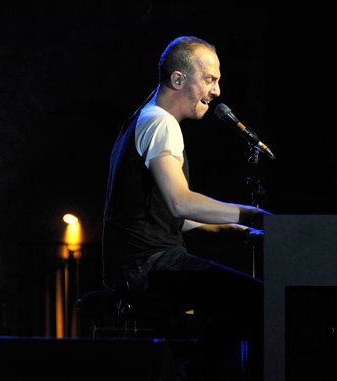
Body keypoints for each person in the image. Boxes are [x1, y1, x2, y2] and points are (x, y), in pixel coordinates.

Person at [102, 36, 268, 380]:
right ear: (178, 80)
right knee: (256, 299)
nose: (218, 91)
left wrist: (226, 230)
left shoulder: (141, 119)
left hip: (139, 263)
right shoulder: (161, 123)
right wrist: (252, 215)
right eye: (209, 79)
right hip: (149, 266)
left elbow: (159, 211)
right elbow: (180, 202)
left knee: (242, 297)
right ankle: (189, 377)